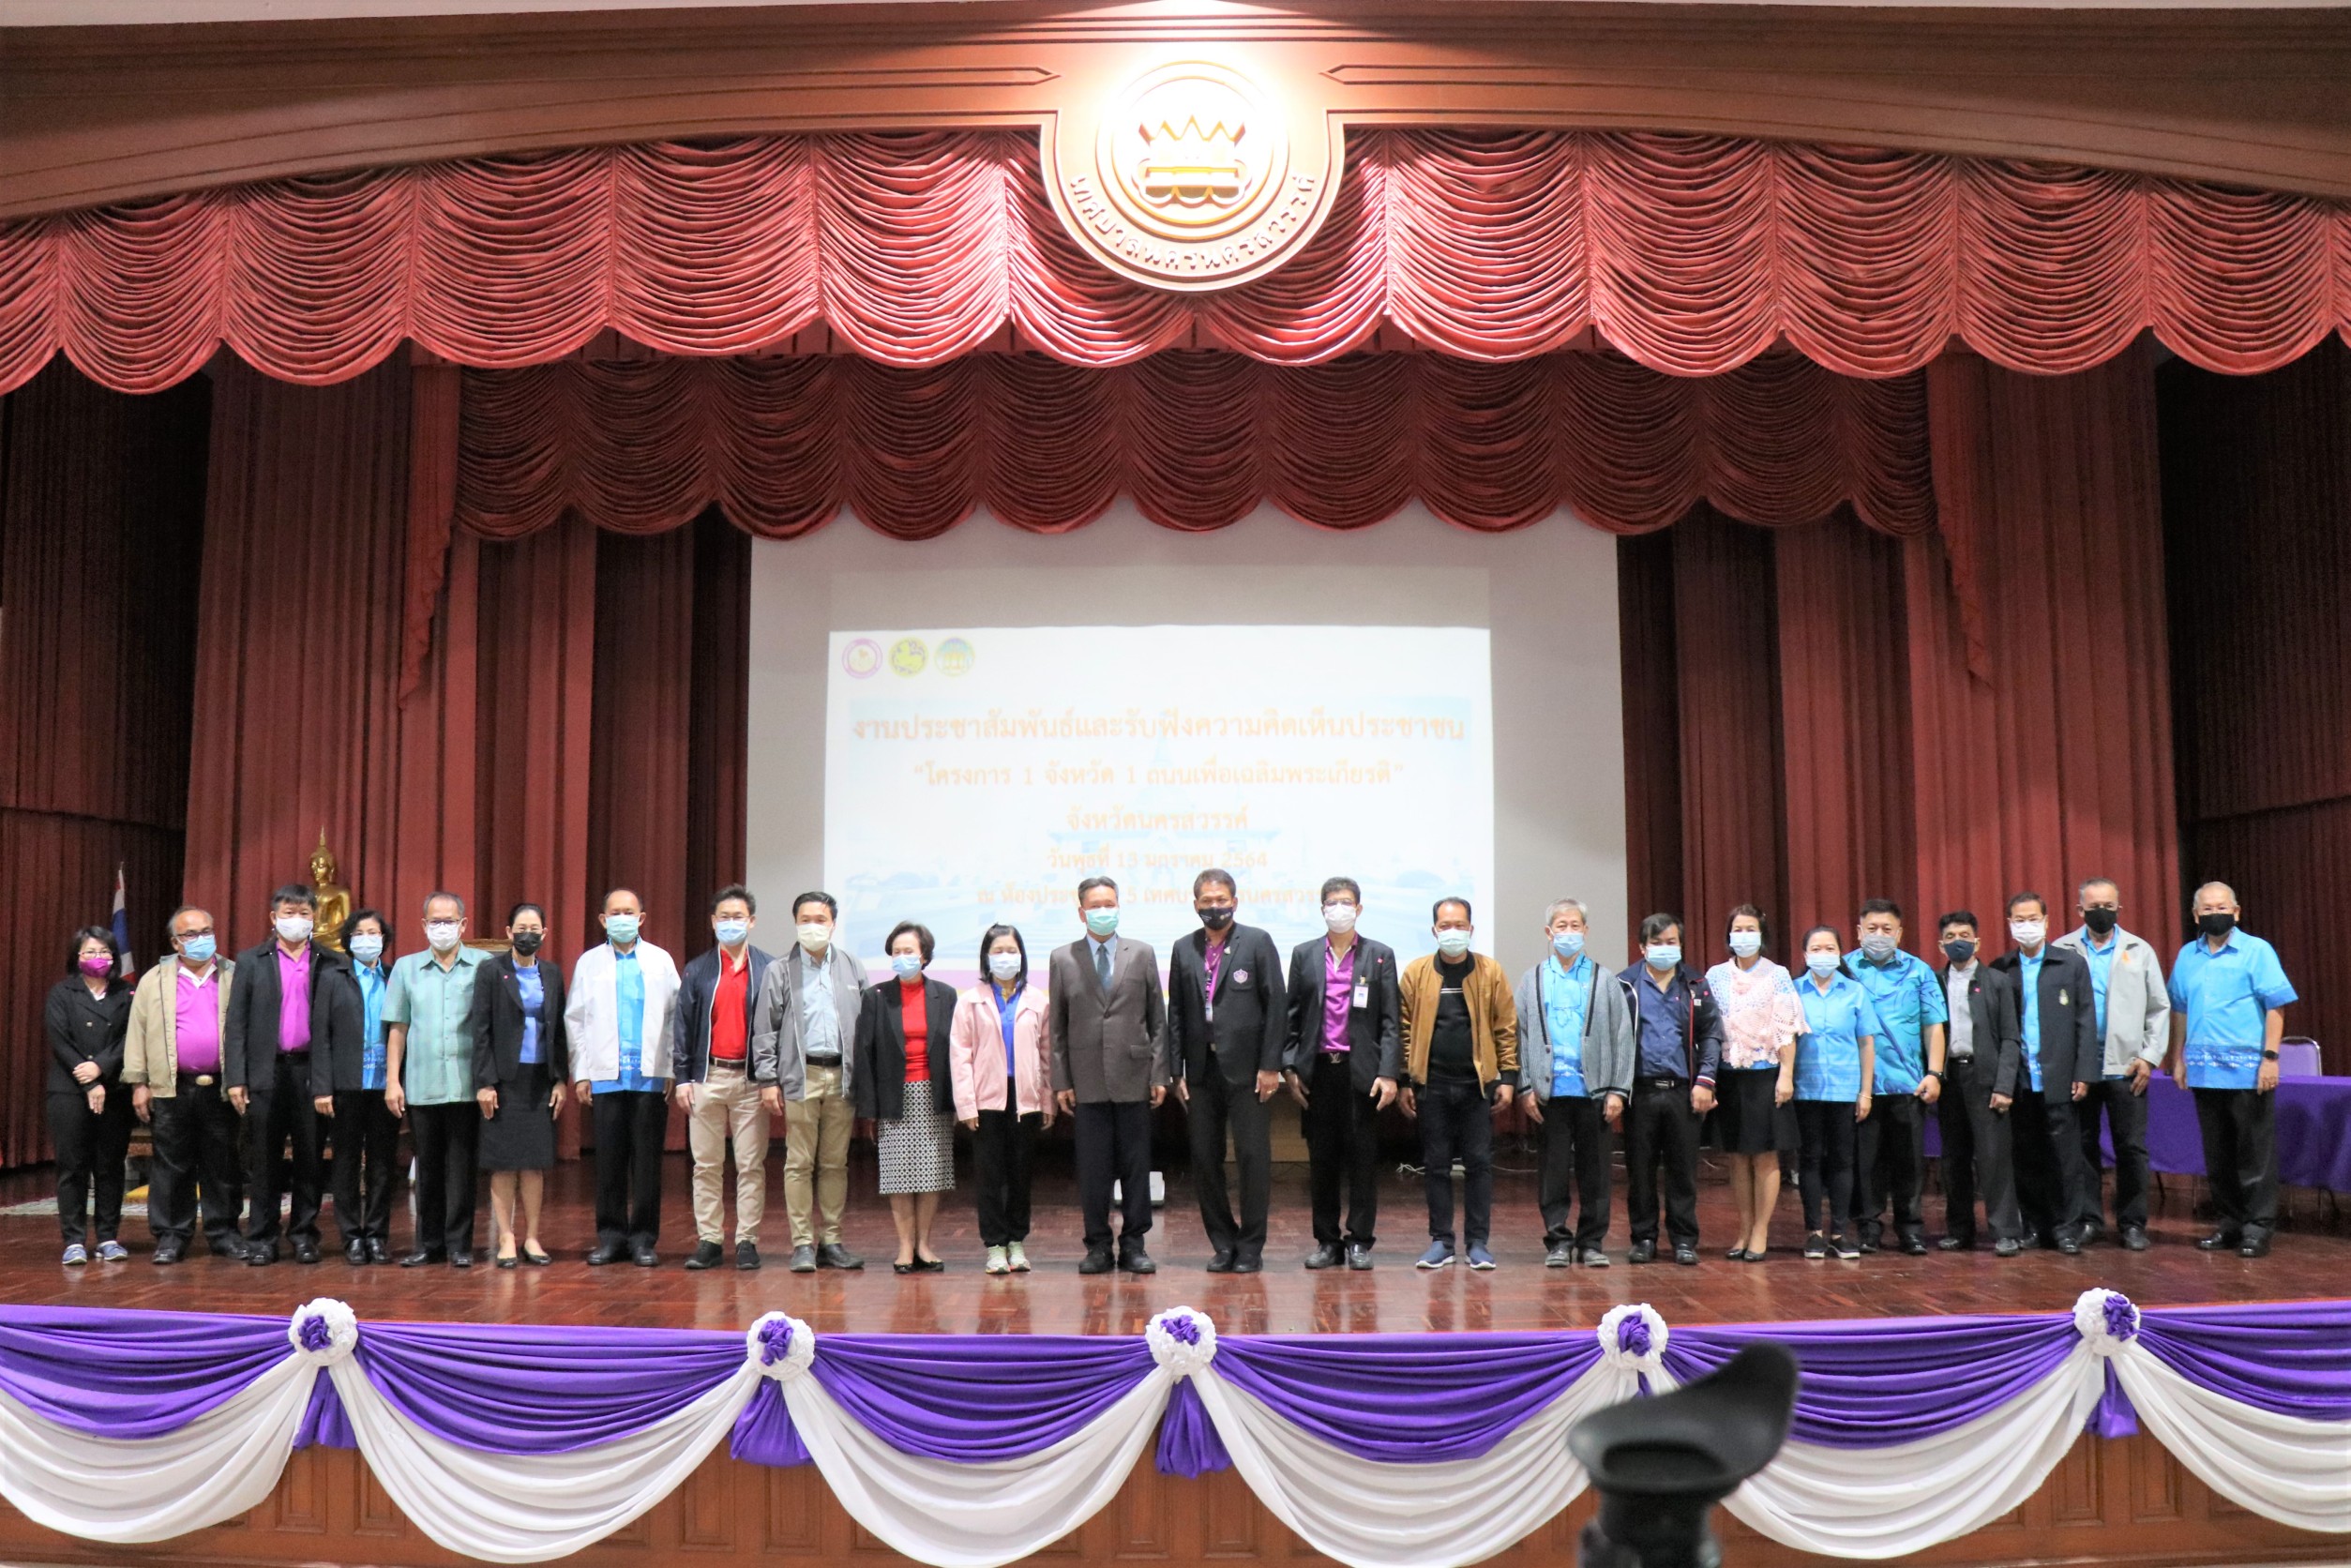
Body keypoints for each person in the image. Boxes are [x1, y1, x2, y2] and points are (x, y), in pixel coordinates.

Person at [1166, 869, 1288, 1274]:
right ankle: (1222, 1242)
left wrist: (1270, 1066)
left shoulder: (1257, 942)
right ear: (1195, 904)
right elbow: (1177, 1013)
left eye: (1221, 900)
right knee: (1205, 1158)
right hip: (1201, 1071)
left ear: (1234, 902)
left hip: (1249, 1071)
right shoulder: (1184, 948)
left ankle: (1250, 1247)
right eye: (1207, 901)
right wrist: (1176, 1070)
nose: (1214, 907)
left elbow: (1276, 1007)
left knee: (1253, 1158)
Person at [2167, 882, 2297, 1259]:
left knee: (2254, 1155)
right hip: (2204, 1072)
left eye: (2222, 907)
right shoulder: (2187, 956)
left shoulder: (2257, 951)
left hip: (2248, 1071)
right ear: (2196, 916)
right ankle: (2230, 1223)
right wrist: (2178, 1057)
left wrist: (2270, 1057)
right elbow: (2180, 1009)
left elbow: (2276, 1006)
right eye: (2207, 909)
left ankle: (2258, 1228)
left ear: (2236, 912)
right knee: (2218, 1155)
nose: (2215, 914)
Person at [1047, 875, 1168, 1274]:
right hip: (1086, 1080)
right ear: (1081, 912)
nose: (1104, 911)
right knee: (1093, 1171)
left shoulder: (1142, 953)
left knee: (1136, 1168)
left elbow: (1157, 1019)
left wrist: (1160, 1074)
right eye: (1096, 906)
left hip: (1135, 1075)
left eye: (1110, 904)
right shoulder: (1063, 958)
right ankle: (1098, 1246)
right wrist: (1061, 1081)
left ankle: (1134, 1245)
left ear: (1119, 907)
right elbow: (1058, 1027)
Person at [1283, 877, 1400, 1271]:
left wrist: (1389, 1072)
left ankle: (1360, 1241)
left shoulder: (1379, 955)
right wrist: (1289, 1066)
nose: (1339, 909)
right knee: (1322, 1161)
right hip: (1318, 1072)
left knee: (1362, 1161)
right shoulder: (1304, 954)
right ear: (1322, 910)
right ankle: (1327, 1241)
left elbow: (1390, 1020)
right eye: (1332, 903)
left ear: (1359, 909)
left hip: (1361, 1072)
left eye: (1346, 902)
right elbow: (1292, 1016)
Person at [750, 890, 868, 1273]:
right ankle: (802, 1243)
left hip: (842, 1077)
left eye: (820, 920)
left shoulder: (852, 966)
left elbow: (866, 1028)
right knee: (799, 1163)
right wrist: (768, 1080)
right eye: (805, 920)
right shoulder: (779, 970)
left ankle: (831, 1241)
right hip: (801, 1076)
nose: (813, 926)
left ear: (833, 924)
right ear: (795, 923)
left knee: (835, 1163)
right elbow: (765, 1030)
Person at [224, 883, 339, 1266]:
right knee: (264, 1160)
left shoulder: (328, 961)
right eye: (289, 913)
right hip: (265, 1071)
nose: (297, 920)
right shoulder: (252, 961)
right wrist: (236, 1077)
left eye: (304, 913)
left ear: (314, 918)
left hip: (310, 1071)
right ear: (274, 918)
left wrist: (327, 1080)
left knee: (310, 1158)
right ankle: (262, 1238)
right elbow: (236, 1024)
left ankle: (304, 1235)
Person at [565, 887, 682, 1267]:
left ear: (641, 918)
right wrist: (582, 1072)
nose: (622, 918)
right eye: (614, 912)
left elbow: (675, 1017)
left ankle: (644, 1239)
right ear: (603, 919)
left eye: (629, 912)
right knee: (609, 1163)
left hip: (650, 1076)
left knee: (647, 1163)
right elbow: (576, 1020)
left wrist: (670, 1067)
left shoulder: (661, 960)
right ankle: (611, 1237)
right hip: (606, 1077)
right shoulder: (589, 963)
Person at [1400, 897, 1516, 1271]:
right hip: (1431, 1083)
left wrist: (1508, 1077)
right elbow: (1404, 1029)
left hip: (1475, 1086)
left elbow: (1505, 1027)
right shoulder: (1416, 973)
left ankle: (1478, 1243)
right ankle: (1441, 1242)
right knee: (1435, 1165)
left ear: (1471, 929)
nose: (1453, 932)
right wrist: (1406, 1079)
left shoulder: (1489, 971)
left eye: (1460, 925)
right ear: (1434, 930)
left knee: (1479, 1164)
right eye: (1446, 926)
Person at [1515, 898, 1632, 1268]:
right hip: (1550, 1094)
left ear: (1586, 931)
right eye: (1561, 926)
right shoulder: (1532, 979)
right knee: (1552, 1173)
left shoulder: (1605, 979)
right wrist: (1525, 1086)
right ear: (1548, 932)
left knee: (1595, 1173)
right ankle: (1558, 1241)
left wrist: (1617, 1090)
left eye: (1575, 925)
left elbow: (1622, 1036)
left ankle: (1592, 1242)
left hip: (1594, 1094)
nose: (1568, 932)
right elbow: (1519, 1036)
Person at [2055, 878, 2170, 1251]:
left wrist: (2150, 1057)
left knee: (2131, 1148)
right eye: (2093, 907)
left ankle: (2133, 1223)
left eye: (2108, 905)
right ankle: (2089, 1220)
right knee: (2082, 1146)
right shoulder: (2062, 949)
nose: (2101, 912)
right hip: (2081, 1068)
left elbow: (2159, 1008)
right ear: (2080, 910)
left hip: (2128, 1066)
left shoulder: (2140, 950)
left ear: (2119, 909)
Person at [123, 906, 242, 1263]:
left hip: (222, 1087)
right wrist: (139, 1082)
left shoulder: (234, 974)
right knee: (171, 1166)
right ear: (175, 942)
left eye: (206, 931)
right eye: (191, 934)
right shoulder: (154, 979)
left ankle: (224, 1233)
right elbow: (137, 1032)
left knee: (222, 1164)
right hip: (172, 1087)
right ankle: (172, 1236)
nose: (201, 939)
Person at [1988, 892, 2099, 1254]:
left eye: (2033, 918)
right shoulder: (2001, 968)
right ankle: (2034, 1225)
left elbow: (2086, 1021)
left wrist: (2084, 1071)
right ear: (2009, 924)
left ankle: (2066, 1228)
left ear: (2047, 922)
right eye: (2019, 920)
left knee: (2065, 1157)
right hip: (2019, 1080)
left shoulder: (2070, 964)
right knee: (2026, 1156)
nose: (2027, 926)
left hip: (2060, 1077)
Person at [673, 885, 776, 1272]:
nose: (731, 923)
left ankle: (747, 1240)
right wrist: (683, 1077)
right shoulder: (697, 969)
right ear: (713, 922)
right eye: (724, 917)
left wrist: (770, 1079)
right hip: (707, 1077)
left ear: (752, 921)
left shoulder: (768, 968)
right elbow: (683, 1027)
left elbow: (776, 1027)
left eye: (738, 917)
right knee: (706, 1165)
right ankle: (710, 1240)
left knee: (750, 1164)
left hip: (751, 1080)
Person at [384, 891, 490, 1268]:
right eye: (435, 921)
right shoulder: (406, 968)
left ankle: (460, 1245)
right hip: (421, 1084)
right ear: (424, 925)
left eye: (449, 921)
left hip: (466, 1085)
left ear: (463, 925)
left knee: (462, 1169)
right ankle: (428, 1244)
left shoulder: (483, 965)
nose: (442, 927)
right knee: (427, 1168)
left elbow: (491, 1026)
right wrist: (392, 1080)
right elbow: (398, 1028)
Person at [1842, 899, 1947, 1257]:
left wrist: (1934, 1073)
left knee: (1909, 1163)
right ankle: (1868, 1228)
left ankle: (1911, 1229)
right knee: (1865, 1163)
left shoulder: (1919, 971)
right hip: (1861, 1086)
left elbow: (1933, 1026)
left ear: (1900, 934)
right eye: (1872, 928)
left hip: (1908, 1083)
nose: (1879, 935)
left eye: (1887, 929)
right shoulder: (1844, 969)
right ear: (1859, 932)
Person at [855, 921, 958, 1272]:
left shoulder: (946, 995)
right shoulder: (876, 996)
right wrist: (869, 1107)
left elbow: (956, 1049)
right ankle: (904, 1247)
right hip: (893, 1095)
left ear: (924, 956)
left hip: (934, 1092)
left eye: (909, 951)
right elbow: (865, 1051)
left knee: (932, 1174)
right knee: (898, 1174)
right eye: (896, 952)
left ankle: (924, 1245)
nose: (902, 957)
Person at [1620, 913, 1723, 1266]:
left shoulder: (1695, 983)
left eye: (1671, 942)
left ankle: (1683, 1239)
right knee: (1640, 1171)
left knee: (1683, 1172)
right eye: (1657, 943)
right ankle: (1643, 1238)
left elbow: (1711, 1034)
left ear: (1680, 945)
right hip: (1640, 1092)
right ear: (1642, 947)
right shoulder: (1625, 985)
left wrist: (1705, 1081)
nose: (1664, 948)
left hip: (1684, 1091)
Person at [1704, 905, 1804, 1262]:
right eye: (1738, 929)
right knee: (1736, 1157)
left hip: (1766, 1074)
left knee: (1764, 1155)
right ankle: (1744, 1228)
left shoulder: (1777, 975)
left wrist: (1786, 1074)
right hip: (1729, 1076)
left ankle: (1761, 1230)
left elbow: (1786, 1029)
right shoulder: (1715, 976)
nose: (1743, 935)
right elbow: (1709, 1027)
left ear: (1762, 935)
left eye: (1751, 929)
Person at [950, 924, 1053, 1274]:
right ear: (986, 957)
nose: (1005, 957)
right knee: (989, 1176)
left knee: (1021, 1175)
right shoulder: (970, 1001)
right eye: (998, 951)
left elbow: (1046, 1055)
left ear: (1022, 956)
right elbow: (960, 1056)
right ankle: (995, 1245)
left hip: (1025, 1100)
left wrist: (1047, 1101)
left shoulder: (1038, 1000)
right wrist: (966, 1104)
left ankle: (1016, 1242)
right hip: (986, 1102)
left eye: (1011, 950)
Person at [474, 902, 569, 1268]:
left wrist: (561, 1079)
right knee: (503, 1163)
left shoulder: (552, 973)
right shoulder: (491, 970)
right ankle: (505, 1238)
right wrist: (485, 1082)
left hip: (540, 1079)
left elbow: (559, 1031)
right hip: (504, 1079)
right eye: (521, 929)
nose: (527, 935)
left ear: (544, 933)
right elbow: (481, 1030)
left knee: (533, 1163)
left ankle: (532, 1237)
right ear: (509, 932)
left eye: (534, 929)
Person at [1934, 912, 2025, 1257]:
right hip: (1949, 1079)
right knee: (1953, 1159)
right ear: (1940, 944)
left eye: (1964, 935)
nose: (1958, 941)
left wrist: (2004, 1085)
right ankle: (1959, 1230)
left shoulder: (1998, 982)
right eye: (1951, 936)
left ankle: (2006, 1231)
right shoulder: (1934, 982)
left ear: (1977, 941)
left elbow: (2011, 1039)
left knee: (1994, 1158)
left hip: (1985, 1079)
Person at [314, 906, 399, 1263]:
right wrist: (322, 1087)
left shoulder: (395, 977)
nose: (367, 939)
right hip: (345, 1085)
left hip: (385, 1085)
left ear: (384, 939)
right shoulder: (333, 977)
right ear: (348, 941)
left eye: (373, 933)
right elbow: (321, 1034)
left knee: (382, 1164)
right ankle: (351, 1236)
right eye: (359, 934)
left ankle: (377, 1235)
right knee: (346, 1163)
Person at [47, 926, 135, 1264]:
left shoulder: (126, 992)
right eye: (90, 952)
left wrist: (101, 1068)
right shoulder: (62, 992)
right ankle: (73, 1240)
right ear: (77, 956)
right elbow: (60, 1040)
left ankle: (108, 1237)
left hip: (114, 1087)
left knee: (110, 1165)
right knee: (73, 1166)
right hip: (68, 1089)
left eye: (104, 952)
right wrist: (87, 1081)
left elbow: (131, 1037)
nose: (98, 958)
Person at [1791, 925, 1878, 1260]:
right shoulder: (1794, 991)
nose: (1823, 955)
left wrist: (1865, 1092)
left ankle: (1840, 1232)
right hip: (1806, 1089)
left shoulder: (1855, 992)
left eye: (1830, 948)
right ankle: (1813, 1233)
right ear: (1805, 955)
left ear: (1840, 953)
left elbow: (1866, 1043)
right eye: (1816, 949)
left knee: (1843, 1161)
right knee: (1810, 1159)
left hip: (1845, 1090)